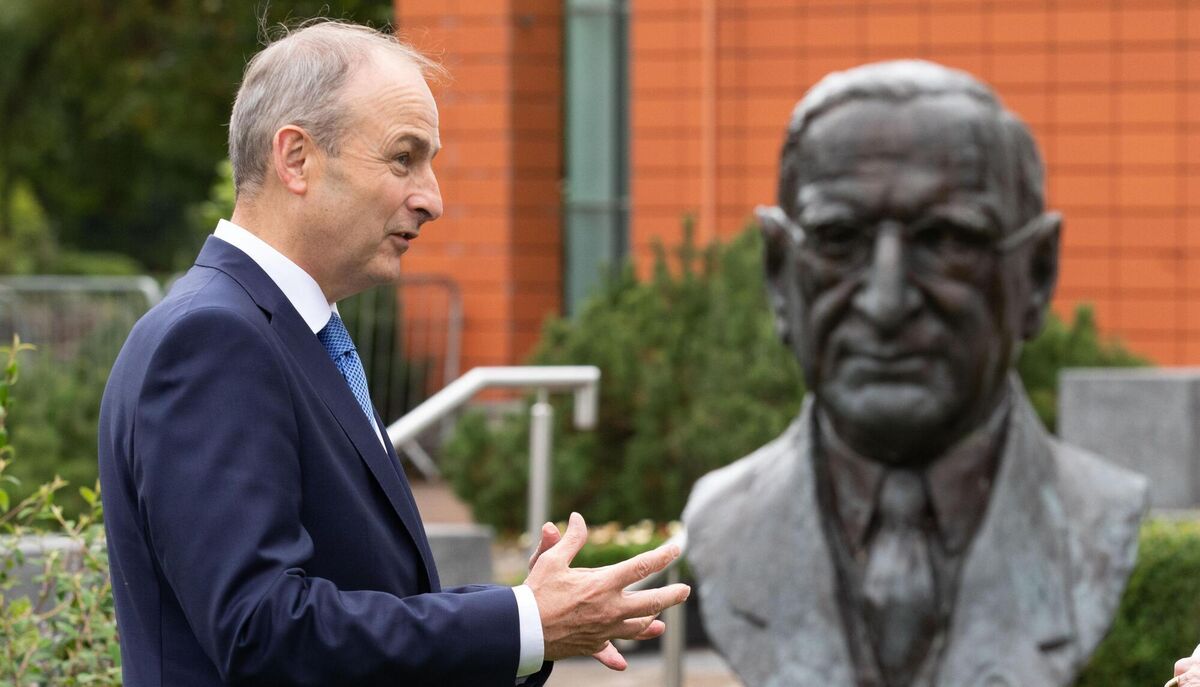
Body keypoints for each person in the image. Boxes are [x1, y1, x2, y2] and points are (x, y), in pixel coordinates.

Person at [97, 20, 688, 687]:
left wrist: (525, 626)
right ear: (295, 159)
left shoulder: (288, 334)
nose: (431, 198)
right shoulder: (213, 339)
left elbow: (357, 604)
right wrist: (521, 622)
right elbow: (263, 633)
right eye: (403, 157)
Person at [681, 60, 1146, 687]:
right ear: (779, 275)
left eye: (948, 240)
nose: (886, 301)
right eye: (839, 238)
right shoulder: (721, 523)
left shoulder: (1100, 523)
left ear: (1035, 276)